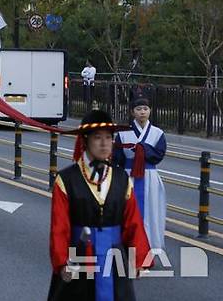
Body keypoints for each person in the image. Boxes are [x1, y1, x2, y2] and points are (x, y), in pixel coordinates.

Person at [48, 110, 151, 301]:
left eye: (108, 138)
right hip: (79, 257)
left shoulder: (121, 178)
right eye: (97, 138)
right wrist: (62, 263)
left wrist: (139, 259)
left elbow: (133, 222)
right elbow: (59, 227)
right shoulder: (67, 179)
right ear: (85, 141)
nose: (104, 143)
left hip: (114, 258)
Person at [113, 96, 167, 251]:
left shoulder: (157, 133)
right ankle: (127, 245)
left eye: (145, 109)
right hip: (128, 175)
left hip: (149, 176)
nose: (142, 112)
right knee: (127, 210)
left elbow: (159, 155)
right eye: (138, 109)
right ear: (132, 112)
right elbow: (118, 157)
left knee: (152, 212)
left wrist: (143, 149)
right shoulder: (123, 133)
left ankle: (149, 246)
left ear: (150, 111)